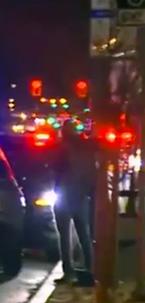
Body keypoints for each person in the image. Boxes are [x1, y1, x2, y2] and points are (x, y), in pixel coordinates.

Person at [52, 120, 96, 284]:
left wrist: (56, 187)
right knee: (84, 233)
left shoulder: (63, 147)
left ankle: (68, 271)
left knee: (64, 236)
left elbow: (57, 169)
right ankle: (89, 269)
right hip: (81, 193)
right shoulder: (86, 147)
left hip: (65, 193)